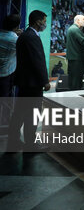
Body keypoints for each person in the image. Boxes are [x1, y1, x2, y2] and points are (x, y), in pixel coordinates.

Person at [8, 10, 50, 151]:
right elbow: (37, 61)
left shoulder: (25, 35)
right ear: (37, 21)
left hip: (25, 82)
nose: (45, 24)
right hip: (32, 84)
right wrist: (45, 80)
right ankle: (31, 144)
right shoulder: (31, 37)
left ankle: (13, 142)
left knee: (20, 113)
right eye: (44, 21)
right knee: (32, 114)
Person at [0, 14, 20, 126]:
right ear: (16, 26)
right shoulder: (15, 40)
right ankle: (5, 124)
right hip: (6, 76)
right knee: (5, 103)